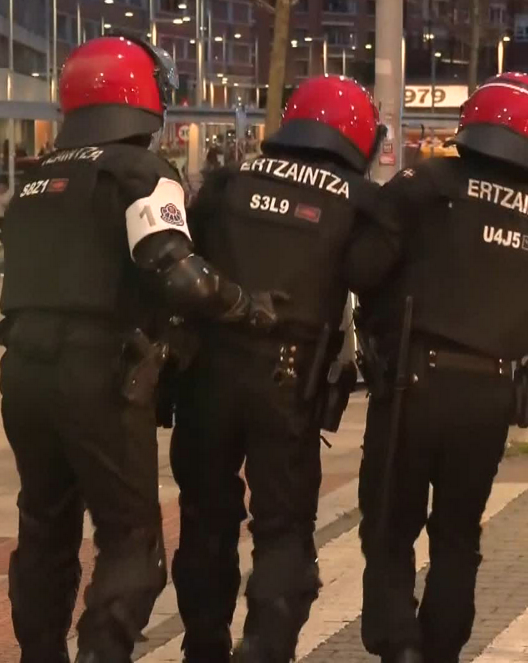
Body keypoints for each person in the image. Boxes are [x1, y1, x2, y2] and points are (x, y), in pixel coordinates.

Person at [0, 36, 282, 663]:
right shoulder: (141, 173)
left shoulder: (36, 180)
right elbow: (181, 276)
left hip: (21, 372)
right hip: (100, 374)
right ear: (145, 96)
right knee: (133, 543)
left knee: (44, 527)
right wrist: (246, 305)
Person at [170, 75, 399, 663]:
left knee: (204, 519)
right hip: (287, 380)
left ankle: (203, 647)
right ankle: (265, 649)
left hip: (206, 376)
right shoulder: (359, 201)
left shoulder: (226, 183)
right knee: (282, 529)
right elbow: (374, 282)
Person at [356, 73, 528, 663]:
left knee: (390, 527)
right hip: (488, 398)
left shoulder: (422, 184)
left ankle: (398, 647)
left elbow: (362, 268)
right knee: (458, 537)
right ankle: (441, 651)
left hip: (410, 387)